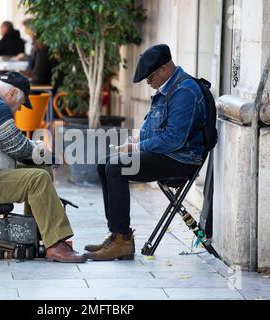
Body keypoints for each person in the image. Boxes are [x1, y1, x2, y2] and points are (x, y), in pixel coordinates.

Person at [84, 44, 207, 261]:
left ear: (165, 68)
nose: (148, 83)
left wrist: (137, 148)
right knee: (105, 163)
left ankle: (123, 239)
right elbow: (153, 129)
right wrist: (135, 140)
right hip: (166, 154)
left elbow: (174, 139)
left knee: (116, 167)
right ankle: (116, 234)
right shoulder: (167, 88)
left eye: (149, 77)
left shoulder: (185, 91)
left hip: (180, 159)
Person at [0, 71, 86, 263]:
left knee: (43, 171)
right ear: (12, 93)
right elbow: (16, 146)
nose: (18, 110)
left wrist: (42, 158)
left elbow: (12, 147)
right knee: (37, 179)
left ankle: (35, 234)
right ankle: (56, 244)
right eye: (20, 104)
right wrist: (43, 152)